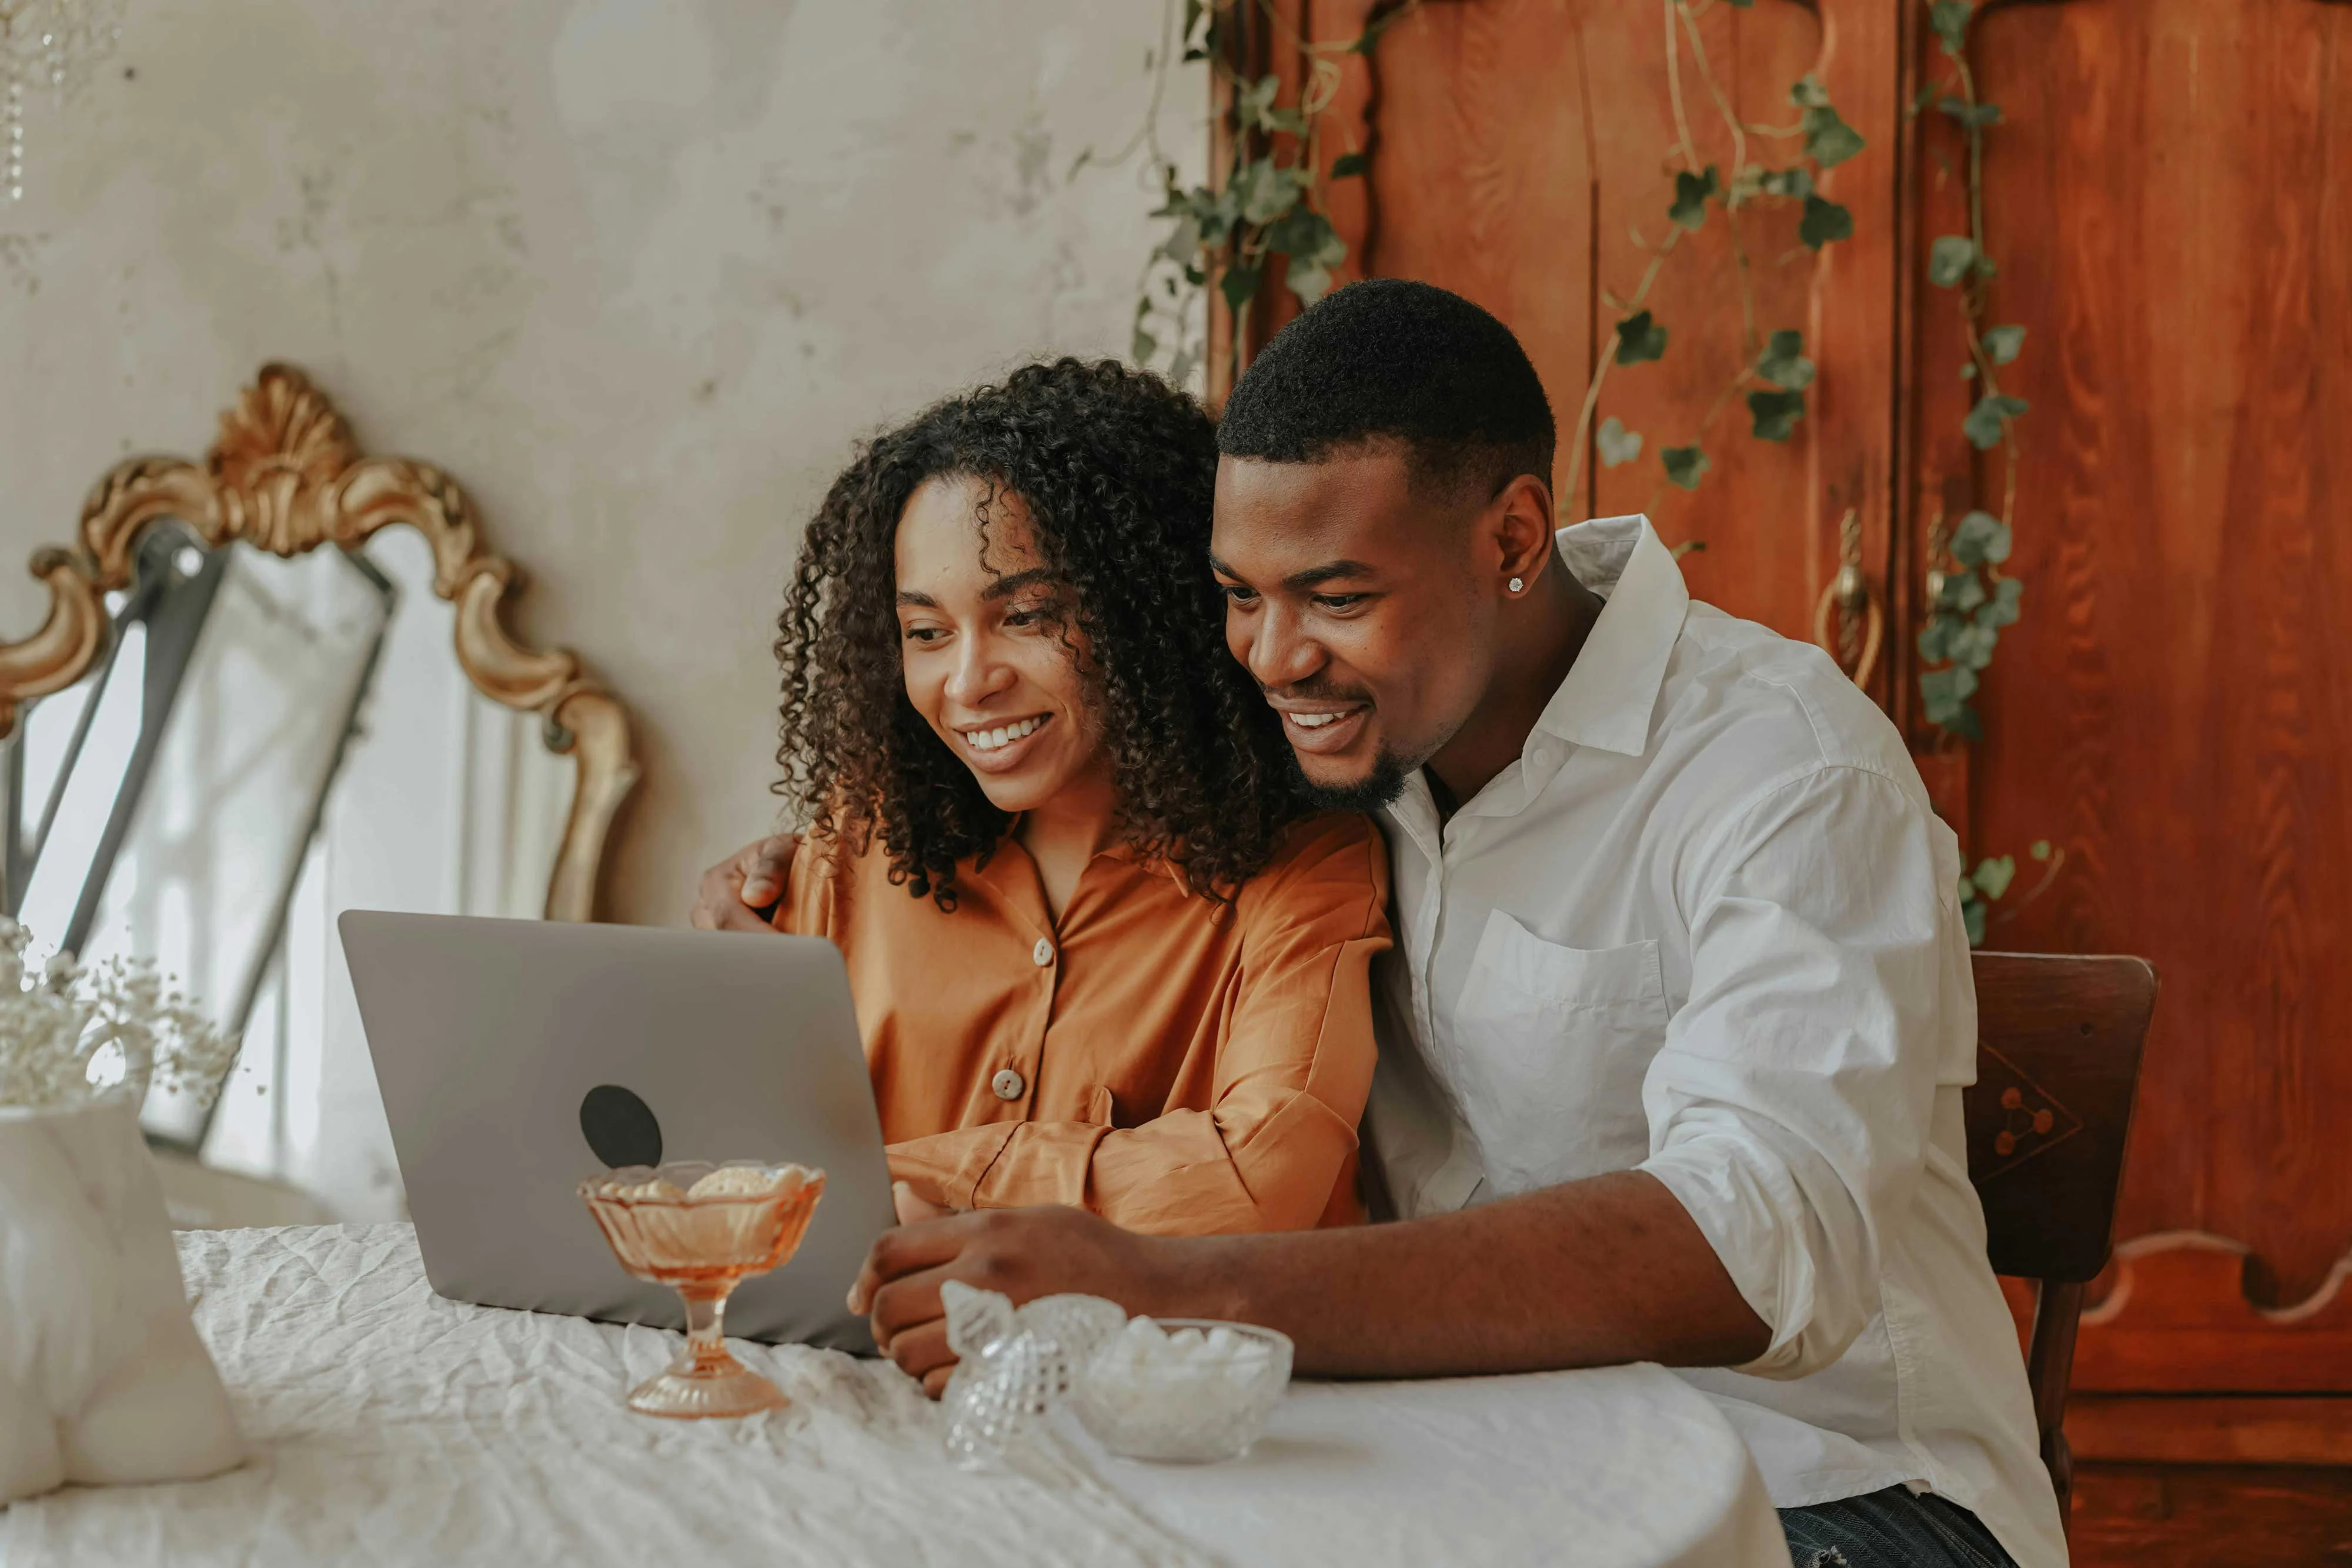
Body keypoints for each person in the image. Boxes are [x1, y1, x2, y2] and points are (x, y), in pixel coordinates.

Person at [811, 284, 2061, 1568]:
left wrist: (1164, 1281)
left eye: (1334, 595)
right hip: (1459, 1469)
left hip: (1831, 1495)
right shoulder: (1336, 745)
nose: (1271, 655)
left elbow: (1750, 1242)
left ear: (1511, 539)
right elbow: (1064, 774)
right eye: (1238, 595)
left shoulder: (1780, 773)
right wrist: (799, 872)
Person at [695, 359, 1391, 1326]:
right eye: (926, 631)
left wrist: (880, 1178)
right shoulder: (855, 851)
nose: (969, 681)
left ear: (1147, 610)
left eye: (1027, 616)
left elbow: (1251, 1178)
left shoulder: (1305, 869)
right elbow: (722, 1158)